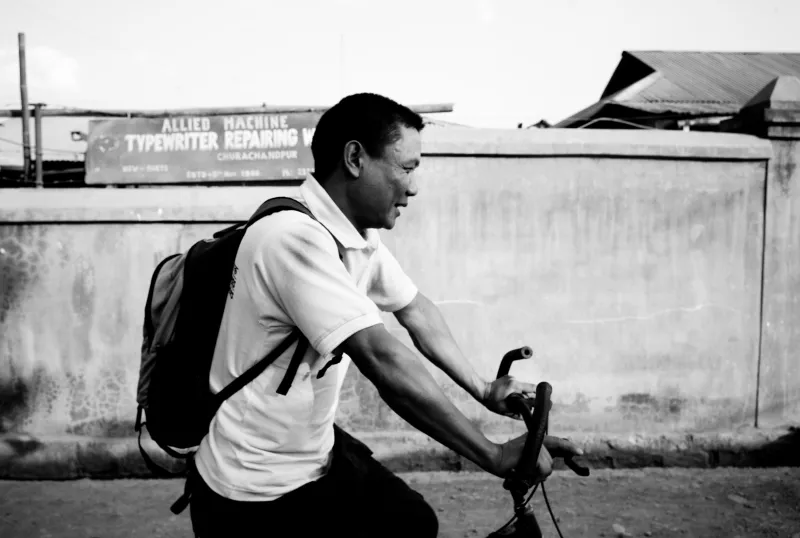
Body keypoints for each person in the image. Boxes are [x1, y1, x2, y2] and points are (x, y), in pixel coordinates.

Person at [188, 93, 582, 537]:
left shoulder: (356, 237)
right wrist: (491, 454)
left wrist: (483, 388)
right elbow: (381, 357)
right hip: (253, 489)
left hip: (311, 457)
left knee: (411, 522)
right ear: (355, 158)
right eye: (407, 168)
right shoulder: (292, 238)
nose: (413, 187)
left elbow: (414, 310)